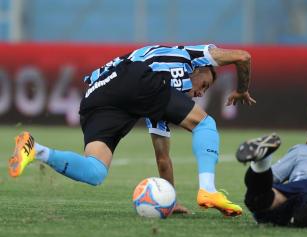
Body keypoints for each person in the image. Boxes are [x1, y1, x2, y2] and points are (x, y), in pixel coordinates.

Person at [8, 44, 256, 217]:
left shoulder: (156, 97)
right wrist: (242, 89)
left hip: (96, 95)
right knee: (206, 124)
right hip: (133, 76)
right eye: (205, 84)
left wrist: (171, 199)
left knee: (95, 171)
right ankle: (209, 191)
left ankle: (35, 150)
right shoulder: (192, 56)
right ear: (200, 68)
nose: (202, 92)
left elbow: (163, 158)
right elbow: (243, 57)